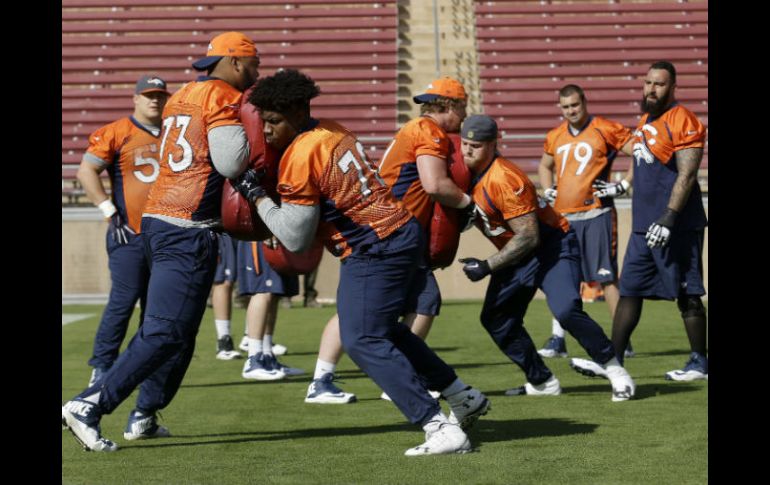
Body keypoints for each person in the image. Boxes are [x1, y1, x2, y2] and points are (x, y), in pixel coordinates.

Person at [235, 69, 489, 455]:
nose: (266, 131)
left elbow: (296, 236)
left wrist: (257, 197)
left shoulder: (301, 154)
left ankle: (436, 425)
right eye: (263, 122)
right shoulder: (333, 130)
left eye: (274, 121)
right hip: (397, 233)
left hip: (374, 245)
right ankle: (460, 394)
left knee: (362, 339)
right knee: (385, 330)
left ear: (299, 113)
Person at [62, 31, 261, 452]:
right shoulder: (221, 95)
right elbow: (228, 161)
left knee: (180, 333)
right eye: (254, 64)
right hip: (186, 227)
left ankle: (145, 413)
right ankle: (89, 404)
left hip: (160, 219)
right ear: (237, 63)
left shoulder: (183, 94)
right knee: (165, 330)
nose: (256, 73)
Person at [456, 114, 636, 402]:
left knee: (565, 310)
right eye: (464, 143)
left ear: (492, 145)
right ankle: (541, 380)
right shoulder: (466, 172)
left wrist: (488, 266)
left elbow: (529, 237)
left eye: (474, 146)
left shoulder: (504, 177)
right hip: (516, 253)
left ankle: (616, 369)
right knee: (496, 318)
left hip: (550, 247)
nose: (466, 151)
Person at [572, 61, 708, 381]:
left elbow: (688, 174)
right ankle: (614, 360)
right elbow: (642, 161)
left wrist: (669, 217)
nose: (651, 89)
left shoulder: (683, 119)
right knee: (630, 290)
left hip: (677, 225)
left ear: (673, 87)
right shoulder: (647, 118)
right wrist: (624, 185)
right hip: (643, 225)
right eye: (648, 82)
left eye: (659, 84)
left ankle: (700, 361)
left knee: (687, 292)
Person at [76, 75, 171, 387]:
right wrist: (107, 209)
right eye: (148, 95)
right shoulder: (118, 131)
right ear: (135, 98)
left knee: (156, 307)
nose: (154, 100)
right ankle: (102, 366)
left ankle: (143, 367)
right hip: (129, 233)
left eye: (159, 95)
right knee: (124, 300)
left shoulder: (175, 131)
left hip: (168, 235)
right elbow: (86, 169)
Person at [536, 84, 636, 360]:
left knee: (606, 278)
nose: (571, 111)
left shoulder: (605, 128)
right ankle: (558, 338)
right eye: (566, 107)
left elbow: (640, 153)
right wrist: (546, 189)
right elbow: (544, 166)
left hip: (597, 214)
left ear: (585, 102)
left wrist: (624, 184)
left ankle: (621, 339)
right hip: (564, 217)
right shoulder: (555, 135)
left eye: (575, 105)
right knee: (562, 279)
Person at [376, 76, 471, 346]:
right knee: (405, 306)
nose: (465, 115)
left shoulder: (413, 127)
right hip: (394, 232)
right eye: (463, 107)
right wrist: (467, 205)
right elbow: (435, 185)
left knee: (416, 302)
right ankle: (402, 371)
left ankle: (325, 375)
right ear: (450, 105)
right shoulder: (428, 131)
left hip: (387, 228)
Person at [238, 238, 304, 380]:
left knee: (274, 293)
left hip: (278, 233)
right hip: (261, 234)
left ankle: (267, 356)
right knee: (263, 290)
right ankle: (253, 360)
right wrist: (267, 229)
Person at [212, 232, 242, 360]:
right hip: (223, 228)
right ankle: (223, 341)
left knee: (253, 282)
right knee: (224, 281)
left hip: (247, 226)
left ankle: (253, 338)